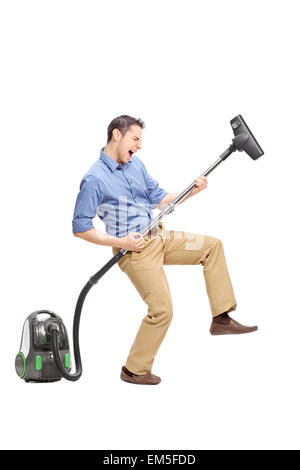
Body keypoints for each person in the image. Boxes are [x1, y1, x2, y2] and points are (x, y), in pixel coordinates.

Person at [72, 115, 257, 385]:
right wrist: (122, 243)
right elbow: (80, 228)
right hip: (134, 251)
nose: (139, 146)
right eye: (135, 139)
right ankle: (134, 370)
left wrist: (192, 190)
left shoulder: (135, 165)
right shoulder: (94, 179)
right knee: (162, 310)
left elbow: (159, 199)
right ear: (116, 135)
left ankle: (221, 318)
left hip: (160, 236)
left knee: (211, 247)